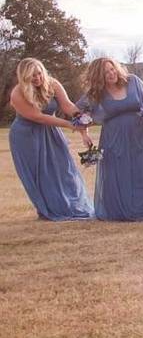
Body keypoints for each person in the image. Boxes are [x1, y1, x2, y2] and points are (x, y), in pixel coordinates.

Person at [8, 58, 94, 220]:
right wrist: (70, 125)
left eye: (39, 73)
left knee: (64, 169)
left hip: (51, 133)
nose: (37, 78)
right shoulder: (17, 93)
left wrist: (83, 126)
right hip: (26, 136)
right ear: (24, 77)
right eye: (32, 76)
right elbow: (38, 117)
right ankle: (49, 209)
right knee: (40, 174)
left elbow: (68, 106)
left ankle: (72, 206)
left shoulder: (53, 84)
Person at [79, 57, 143, 221]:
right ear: (98, 77)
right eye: (105, 73)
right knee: (118, 173)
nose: (111, 74)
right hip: (114, 138)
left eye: (112, 69)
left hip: (141, 133)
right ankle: (122, 210)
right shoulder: (96, 93)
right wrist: (84, 134)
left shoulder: (133, 81)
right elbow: (79, 113)